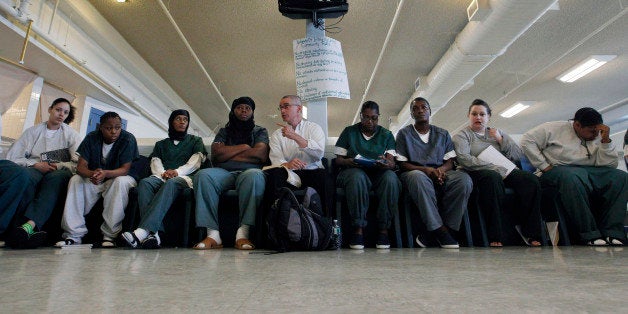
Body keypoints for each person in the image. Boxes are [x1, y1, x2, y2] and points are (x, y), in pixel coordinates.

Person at [520, 107, 627, 246]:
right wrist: (544, 165)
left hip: (592, 171)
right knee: (571, 177)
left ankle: (613, 232)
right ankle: (589, 233)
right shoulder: (553, 128)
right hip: (559, 170)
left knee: (621, 177)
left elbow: (610, 165)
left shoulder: (600, 135)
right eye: (591, 131)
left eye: (598, 130)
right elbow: (526, 140)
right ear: (577, 125)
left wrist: (605, 142)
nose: (596, 134)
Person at [453, 99, 542, 247]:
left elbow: (517, 155)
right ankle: (496, 234)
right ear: (469, 116)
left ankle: (531, 233)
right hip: (478, 172)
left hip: (504, 170)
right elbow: (464, 159)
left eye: (482, 114)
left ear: (488, 117)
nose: (478, 117)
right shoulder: (462, 135)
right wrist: (492, 167)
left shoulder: (497, 133)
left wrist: (501, 140)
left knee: (530, 180)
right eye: (474, 114)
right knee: (492, 178)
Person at [2, 98, 81, 249]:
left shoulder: (71, 135)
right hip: (35, 168)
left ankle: (29, 225)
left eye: (65, 112)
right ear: (50, 109)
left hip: (60, 172)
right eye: (58, 110)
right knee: (25, 178)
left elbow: (78, 163)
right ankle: (16, 230)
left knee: (54, 180)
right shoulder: (32, 131)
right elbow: (13, 157)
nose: (61, 114)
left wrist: (59, 166)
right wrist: (35, 164)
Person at [122, 109, 206, 249]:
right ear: (171, 122)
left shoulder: (195, 140)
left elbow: (196, 162)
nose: (182, 122)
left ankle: (142, 231)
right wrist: (163, 173)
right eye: (178, 119)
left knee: (172, 183)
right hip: (162, 176)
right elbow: (155, 161)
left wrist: (176, 172)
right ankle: (153, 234)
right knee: (145, 183)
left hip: (185, 177)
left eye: (185, 119)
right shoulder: (161, 144)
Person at [396, 97, 472, 249]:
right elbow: (402, 164)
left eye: (424, 107)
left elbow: (450, 161)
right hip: (415, 172)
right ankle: (440, 230)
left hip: (441, 171)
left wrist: (440, 171)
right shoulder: (404, 134)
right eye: (415, 109)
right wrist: (425, 170)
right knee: (419, 178)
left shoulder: (442, 134)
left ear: (430, 111)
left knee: (463, 180)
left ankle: (443, 230)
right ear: (411, 114)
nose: (420, 110)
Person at [193, 97, 268, 250]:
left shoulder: (260, 131)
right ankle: (213, 235)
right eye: (240, 107)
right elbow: (216, 154)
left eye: (248, 108)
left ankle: (243, 235)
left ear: (252, 112)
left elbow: (260, 154)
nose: (244, 111)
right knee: (203, 175)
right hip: (223, 172)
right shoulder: (224, 131)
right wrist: (246, 147)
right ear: (233, 110)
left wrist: (229, 153)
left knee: (254, 175)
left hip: (248, 172)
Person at [56, 111, 138, 247]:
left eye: (118, 127)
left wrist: (105, 173)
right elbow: (81, 168)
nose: (114, 132)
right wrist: (92, 174)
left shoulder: (128, 139)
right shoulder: (91, 138)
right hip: (96, 177)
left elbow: (125, 170)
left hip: (120, 177)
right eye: (109, 128)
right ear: (100, 127)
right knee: (76, 180)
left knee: (119, 182)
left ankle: (109, 236)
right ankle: (73, 235)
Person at [335, 101, 400, 249]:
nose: (370, 121)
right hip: (353, 171)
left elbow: (392, 163)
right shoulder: (349, 132)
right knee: (357, 178)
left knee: (391, 179)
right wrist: (349, 161)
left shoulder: (386, 134)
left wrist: (386, 163)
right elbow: (338, 160)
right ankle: (358, 230)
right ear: (360, 116)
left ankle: (383, 231)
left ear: (379, 117)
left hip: (378, 173)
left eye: (374, 118)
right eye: (366, 117)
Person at [265, 95, 327, 212]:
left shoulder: (314, 128)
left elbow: (319, 154)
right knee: (274, 176)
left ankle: (323, 224)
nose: (282, 111)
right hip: (288, 174)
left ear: (299, 109)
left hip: (312, 172)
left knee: (324, 178)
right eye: (280, 108)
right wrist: (288, 164)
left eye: (286, 106)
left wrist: (294, 136)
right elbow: (276, 159)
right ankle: (276, 220)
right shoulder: (276, 134)